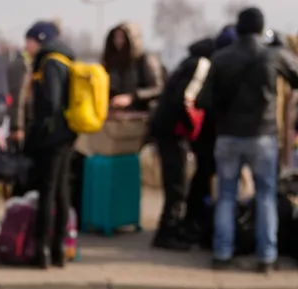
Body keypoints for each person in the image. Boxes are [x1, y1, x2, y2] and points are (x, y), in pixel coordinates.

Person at [196, 7, 298, 272]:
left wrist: (224, 111)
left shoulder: (220, 58)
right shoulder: (273, 56)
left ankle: (222, 254)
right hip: (263, 136)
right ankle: (266, 257)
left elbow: (203, 100)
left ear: (238, 28)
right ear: (261, 28)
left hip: (228, 136)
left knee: (227, 196)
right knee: (265, 196)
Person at [148, 26, 238, 251]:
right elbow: (185, 100)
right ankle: (166, 233)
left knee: (178, 181)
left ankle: (173, 227)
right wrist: (192, 129)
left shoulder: (192, 59)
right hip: (172, 131)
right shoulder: (202, 65)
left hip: (165, 128)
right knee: (177, 183)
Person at [21, 21, 77, 268]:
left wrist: (40, 129)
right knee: (62, 191)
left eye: (30, 40)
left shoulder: (50, 61)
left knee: (48, 191)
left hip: (54, 137)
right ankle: (59, 251)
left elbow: (52, 102)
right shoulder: (64, 58)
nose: (27, 45)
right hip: (66, 134)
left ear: (41, 39)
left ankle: (42, 251)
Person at [102, 22, 164, 112]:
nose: (118, 41)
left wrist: (131, 97)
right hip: (115, 112)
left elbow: (157, 88)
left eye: (122, 37)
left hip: (141, 113)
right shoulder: (111, 62)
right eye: (116, 37)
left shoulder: (145, 60)